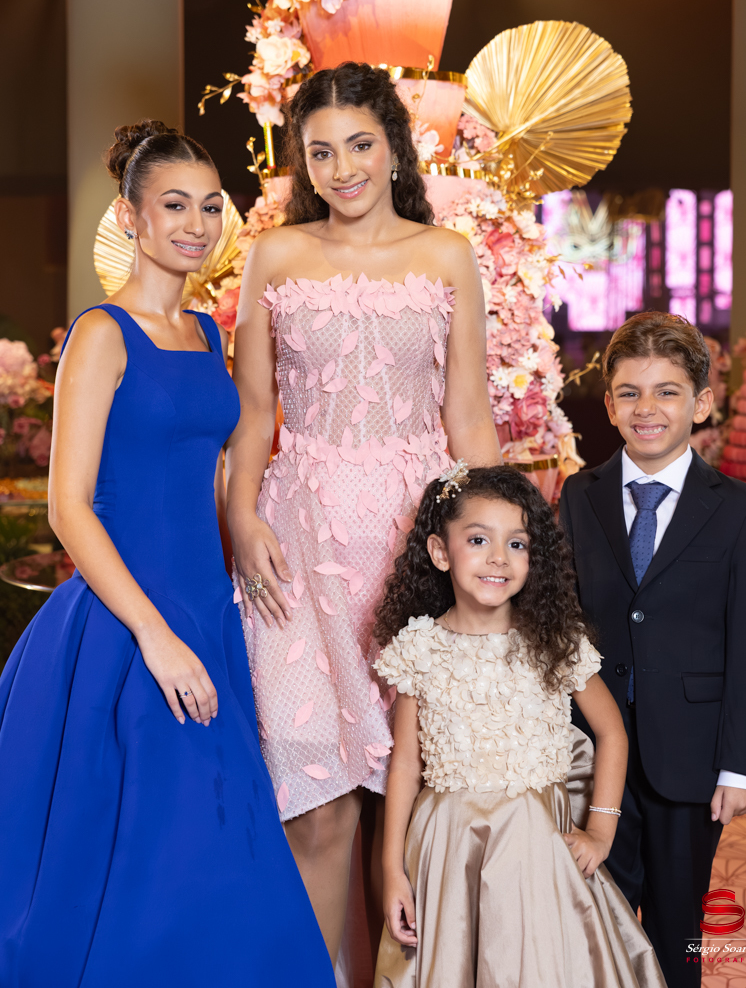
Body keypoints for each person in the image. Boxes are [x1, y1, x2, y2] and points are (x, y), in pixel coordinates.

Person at [0, 122, 334, 988]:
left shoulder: (204, 332)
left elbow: (212, 472)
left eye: (211, 207)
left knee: (216, 843)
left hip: (206, 611)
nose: (196, 225)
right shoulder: (102, 333)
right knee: (152, 854)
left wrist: (251, 533)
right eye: (175, 205)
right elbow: (68, 509)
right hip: (126, 627)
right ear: (131, 216)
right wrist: (154, 636)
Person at [226, 62, 501, 963]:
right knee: (315, 798)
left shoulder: (446, 253)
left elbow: (469, 418)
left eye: (359, 145)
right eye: (320, 152)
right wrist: (241, 520)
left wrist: (500, 551)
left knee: (416, 796)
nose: (341, 168)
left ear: (393, 148)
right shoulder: (275, 254)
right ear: (300, 162)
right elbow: (253, 415)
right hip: (294, 547)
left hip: (413, 544)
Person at [372, 464, 666, 988]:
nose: (498, 559)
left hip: (537, 851)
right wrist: (392, 869)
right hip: (447, 848)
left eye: (517, 544)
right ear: (440, 551)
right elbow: (405, 768)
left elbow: (612, 733)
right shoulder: (419, 648)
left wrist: (601, 830)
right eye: (478, 540)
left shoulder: (554, 643)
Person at [559, 312, 746, 988]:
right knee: (596, 916)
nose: (646, 408)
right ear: (609, 406)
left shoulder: (737, 507)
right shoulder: (579, 495)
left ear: (701, 403)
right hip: (596, 750)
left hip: (692, 757)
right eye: (630, 392)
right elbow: (563, 621)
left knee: (677, 927)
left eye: (667, 392)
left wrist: (743, 767)